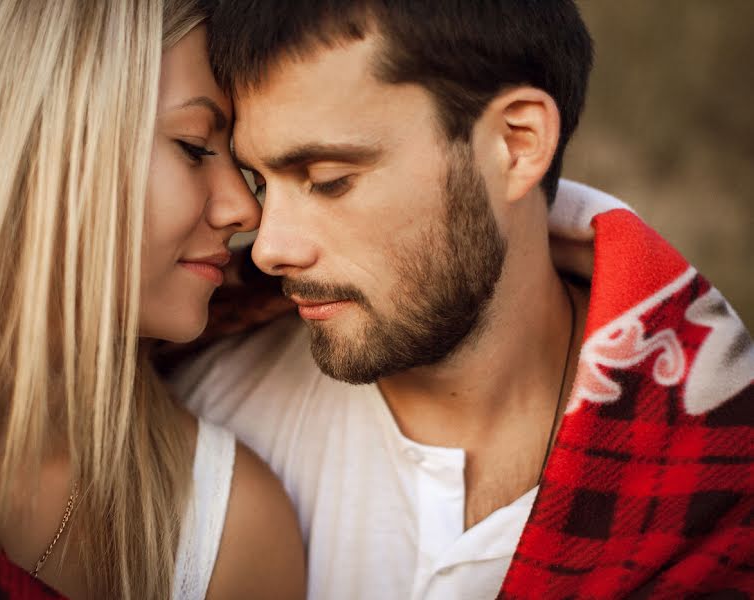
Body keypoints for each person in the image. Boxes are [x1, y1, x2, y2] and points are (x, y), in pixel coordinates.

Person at [171, 1, 754, 598]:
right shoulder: (199, 418)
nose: (268, 248)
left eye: (328, 179)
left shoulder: (723, 477)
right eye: (263, 184)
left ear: (517, 142)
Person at [0, 1, 305, 599]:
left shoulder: (222, 532)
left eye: (244, 172)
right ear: (24, 145)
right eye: (195, 147)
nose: (244, 210)